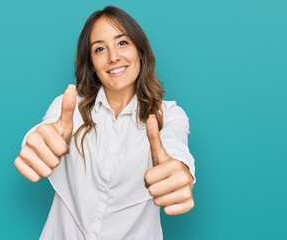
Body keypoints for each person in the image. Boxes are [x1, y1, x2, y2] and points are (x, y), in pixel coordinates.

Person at [14, 5, 196, 240]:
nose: (113, 57)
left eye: (122, 43)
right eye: (100, 49)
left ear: (140, 51)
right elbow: (48, 130)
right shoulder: (69, 107)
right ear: (90, 63)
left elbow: (176, 150)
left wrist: (181, 171)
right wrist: (35, 141)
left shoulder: (169, 115)